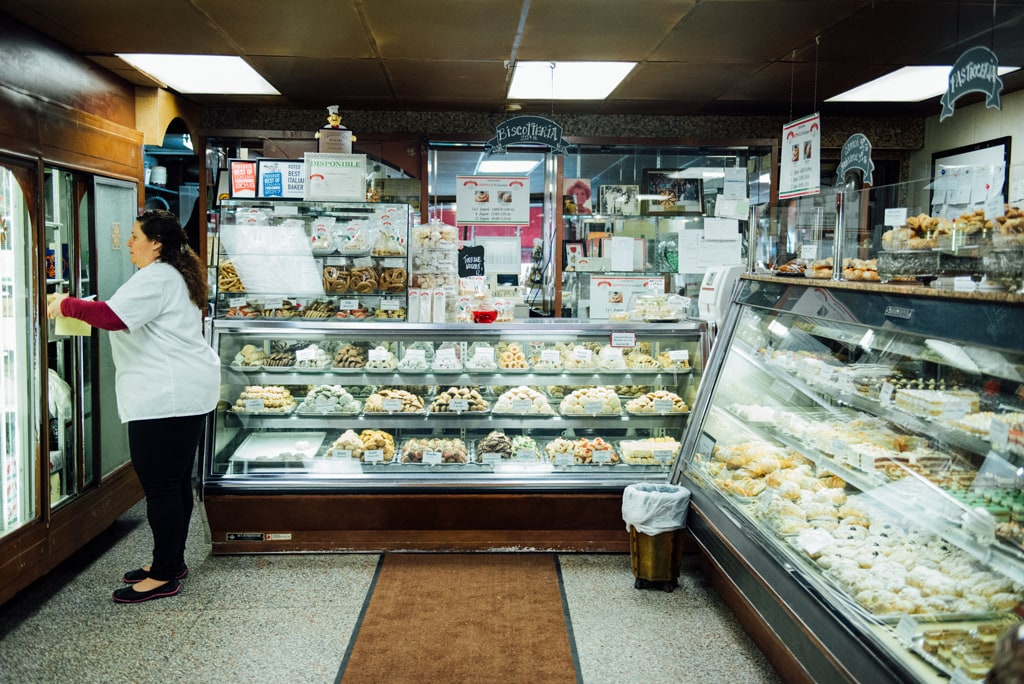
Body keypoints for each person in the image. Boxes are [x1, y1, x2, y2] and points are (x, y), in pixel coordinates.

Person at [47, 210, 220, 603]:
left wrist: (65, 305)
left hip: (166, 396)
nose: (128, 242)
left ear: (155, 242)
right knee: (174, 483)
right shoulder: (174, 274)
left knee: (160, 486)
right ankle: (171, 562)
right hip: (185, 391)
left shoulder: (158, 277)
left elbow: (111, 316)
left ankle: (163, 574)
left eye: (134, 235)